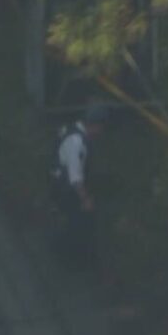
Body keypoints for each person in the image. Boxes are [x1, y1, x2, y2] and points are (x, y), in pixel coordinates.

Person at [51, 105, 111, 262]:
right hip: (66, 189)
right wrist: (85, 199)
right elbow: (75, 176)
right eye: (101, 127)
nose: (102, 132)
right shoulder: (77, 142)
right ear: (95, 124)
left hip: (62, 184)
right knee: (78, 222)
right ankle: (71, 258)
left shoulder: (73, 131)